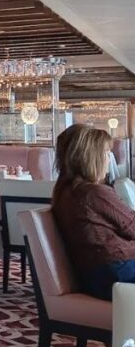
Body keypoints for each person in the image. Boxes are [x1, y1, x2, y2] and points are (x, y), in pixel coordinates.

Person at [52, 123, 135, 300]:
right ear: (91, 157)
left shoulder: (64, 192)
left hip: (95, 275)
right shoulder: (94, 193)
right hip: (117, 272)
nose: (108, 160)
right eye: (106, 153)